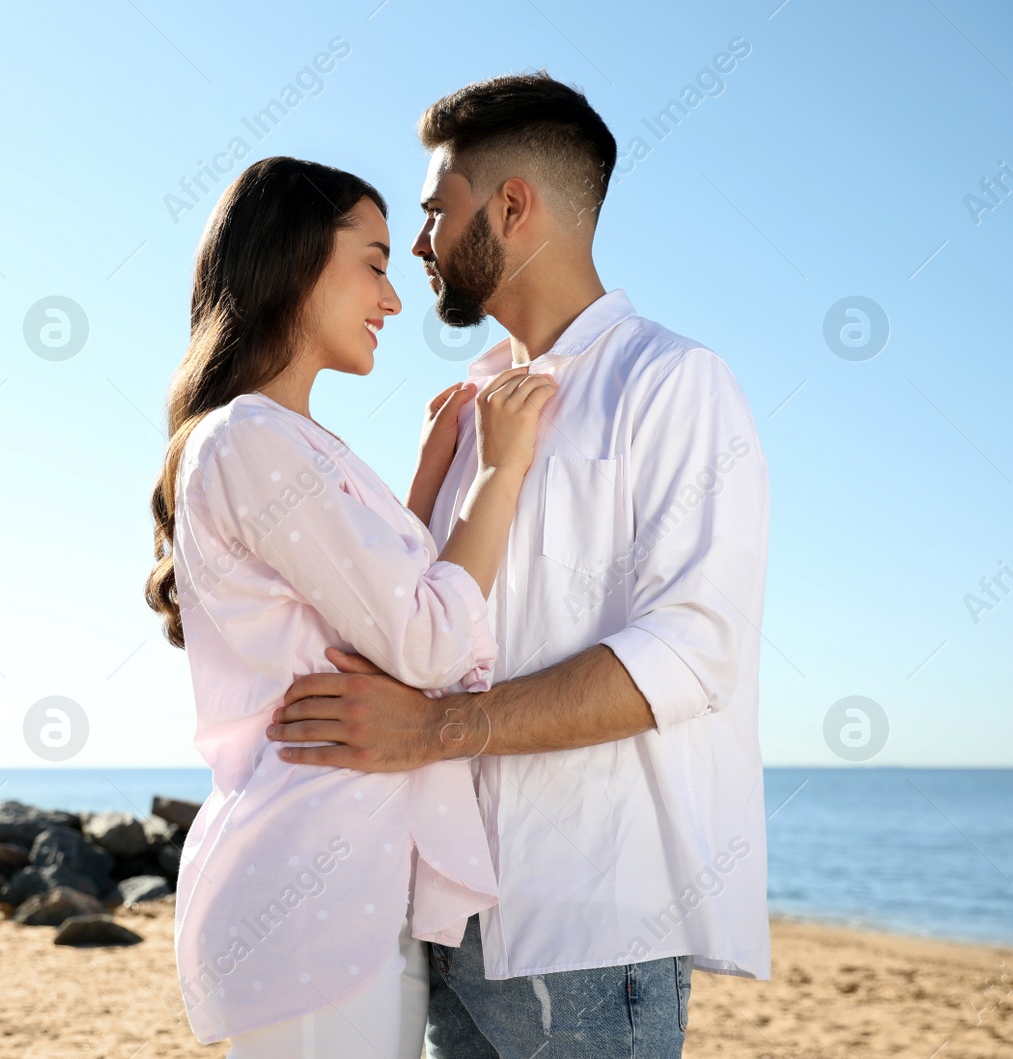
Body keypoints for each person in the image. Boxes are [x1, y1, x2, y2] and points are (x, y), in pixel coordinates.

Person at [267, 73, 772, 1057]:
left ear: (510, 205)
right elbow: (422, 625)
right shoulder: (468, 409)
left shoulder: (672, 382)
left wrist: (435, 730)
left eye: (433, 214)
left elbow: (693, 651)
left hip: (589, 931)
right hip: (444, 922)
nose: (416, 245)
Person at [145, 155, 558, 1056]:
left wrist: (422, 483)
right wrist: (499, 470)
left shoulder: (275, 439)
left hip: (342, 882)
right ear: (295, 259)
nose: (394, 297)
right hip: (315, 890)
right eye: (373, 262)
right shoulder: (251, 437)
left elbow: (365, 617)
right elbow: (423, 641)